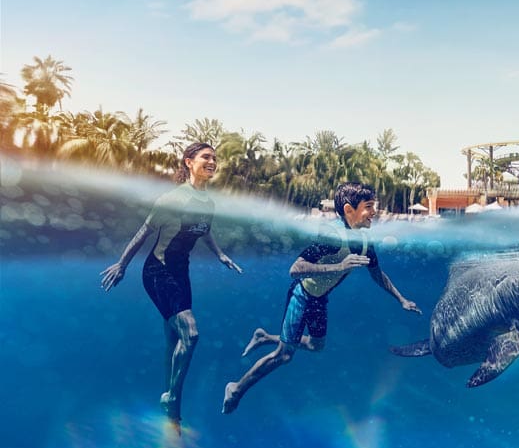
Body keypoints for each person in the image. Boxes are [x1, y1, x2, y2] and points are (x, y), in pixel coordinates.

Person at [222, 181, 421, 414]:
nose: (374, 212)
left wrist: (401, 299)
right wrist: (339, 266)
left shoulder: (365, 240)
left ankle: (265, 336)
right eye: (368, 206)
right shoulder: (331, 236)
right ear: (349, 210)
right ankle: (236, 388)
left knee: (316, 346)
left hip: (320, 299)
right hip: (302, 296)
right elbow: (295, 269)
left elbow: (376, 273)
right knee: (285, 355)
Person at [101, 142, 242, 429]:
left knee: (174, 341)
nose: (212, 161)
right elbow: (144, 231)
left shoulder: (208, 203)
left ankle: (172, 415)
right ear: (189, 162)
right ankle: (172, 396)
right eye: (206, 157)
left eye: (215, 158)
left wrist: (221, 255)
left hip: (181, 273)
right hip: (158, 271)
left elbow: (206, 232)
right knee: (191, 334)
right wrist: (122, 265)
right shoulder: (173, 198)